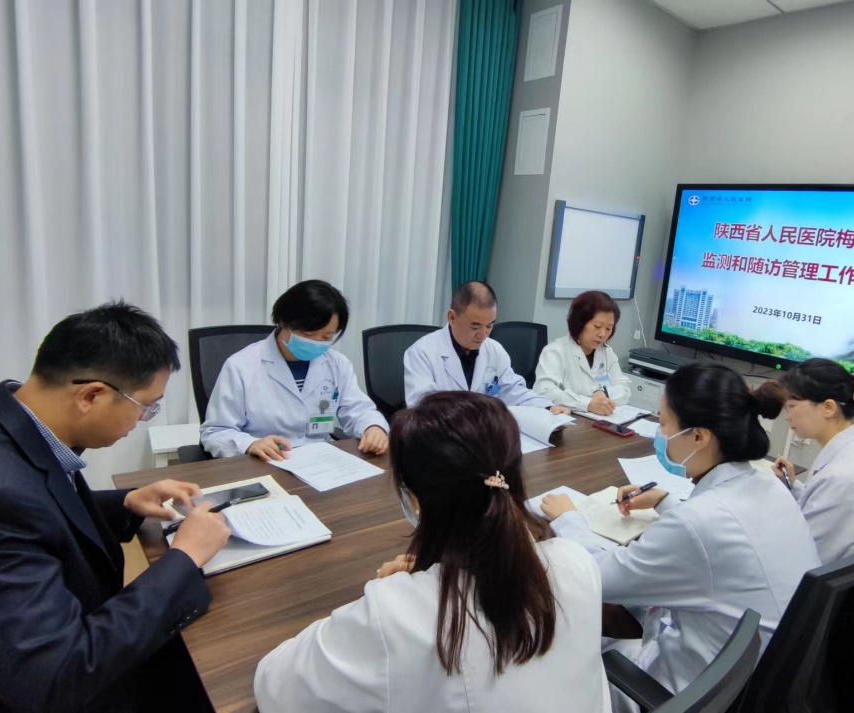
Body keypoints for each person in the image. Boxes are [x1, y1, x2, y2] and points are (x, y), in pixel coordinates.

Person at [0, 302, 232, 713]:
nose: (142, 419)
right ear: (91, 395)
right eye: (145, 406)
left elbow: (35, 504)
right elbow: (60, 677)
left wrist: (126, 503)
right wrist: (185, 557)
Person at [254, 391, 610, 712]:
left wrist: (392, 595)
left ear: (414, 499)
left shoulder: (393, 614)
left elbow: (275, 685)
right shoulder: (576, 561)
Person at [540, 363, 819, 703]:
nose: (660, 434)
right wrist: (663, 500)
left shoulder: (698, 522)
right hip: (755, 682)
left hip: (691, 695)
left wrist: (568, 519)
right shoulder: (769, 486)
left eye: (663, 423)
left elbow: (597, 578)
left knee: (555, 648)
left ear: (699, 436)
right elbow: (713, 536)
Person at [201, 279, 389, 462]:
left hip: (320, 461)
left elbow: (358, 409)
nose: (316, 342)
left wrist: (372, 427)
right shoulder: (241, 366)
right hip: (264, 463)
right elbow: (216, 432)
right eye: (308, 334)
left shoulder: (337, 364)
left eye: (326, 336)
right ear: (284, 322)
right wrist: (250, 444)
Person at [768, 358, 854, 565]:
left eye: (792, 407)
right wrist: (794, 486)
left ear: (828, 407)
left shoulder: (843, 478)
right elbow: (828, 504)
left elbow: (805, 557)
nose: (787, 417)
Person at [404, 280, 571, 414]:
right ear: (452, 317)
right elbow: (422, 407)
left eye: (489, 326)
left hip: (484, 435)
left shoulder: (494, 350)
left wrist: (547, 407)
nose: (483, 335)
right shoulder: (422, 353)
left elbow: (513, 390)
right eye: (475, 327)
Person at [534, 290, 632, 416]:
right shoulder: (555, 351)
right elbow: (544, 391)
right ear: (579, 322)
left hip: (601, 420)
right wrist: (588, 403)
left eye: (608, 328)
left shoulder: (607, 353)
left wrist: (602, 394)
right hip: (567, 419)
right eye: (597, 326)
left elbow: (624, 389)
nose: (602, 334)